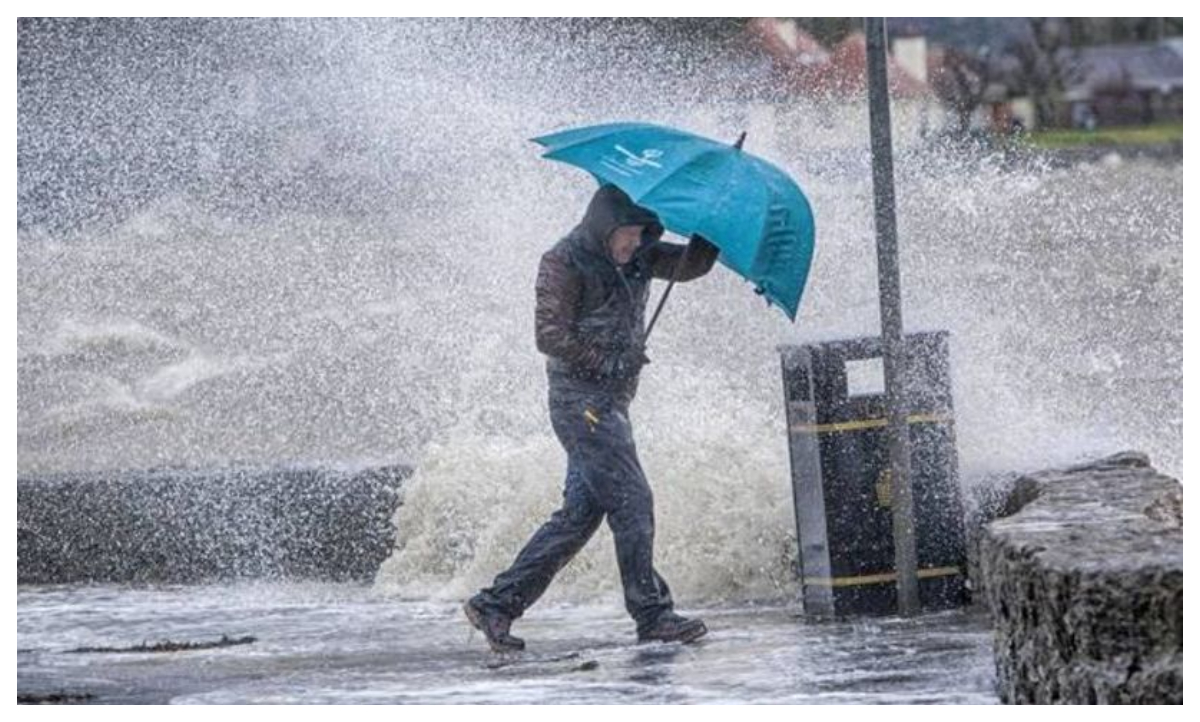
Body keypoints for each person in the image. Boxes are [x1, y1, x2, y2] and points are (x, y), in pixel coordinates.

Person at [464, 184, 720, 652]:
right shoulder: (563, 260)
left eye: (643, 234)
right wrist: (608, 362)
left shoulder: (640, 256)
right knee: (633, 500)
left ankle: (496, 604)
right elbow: (548, 335)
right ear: (606, 227)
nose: (635, 243)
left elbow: (690, 266)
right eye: (629, 233)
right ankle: (652, 615)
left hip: (612, 404)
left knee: (579, 516)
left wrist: (712, 227)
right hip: (579, 404)